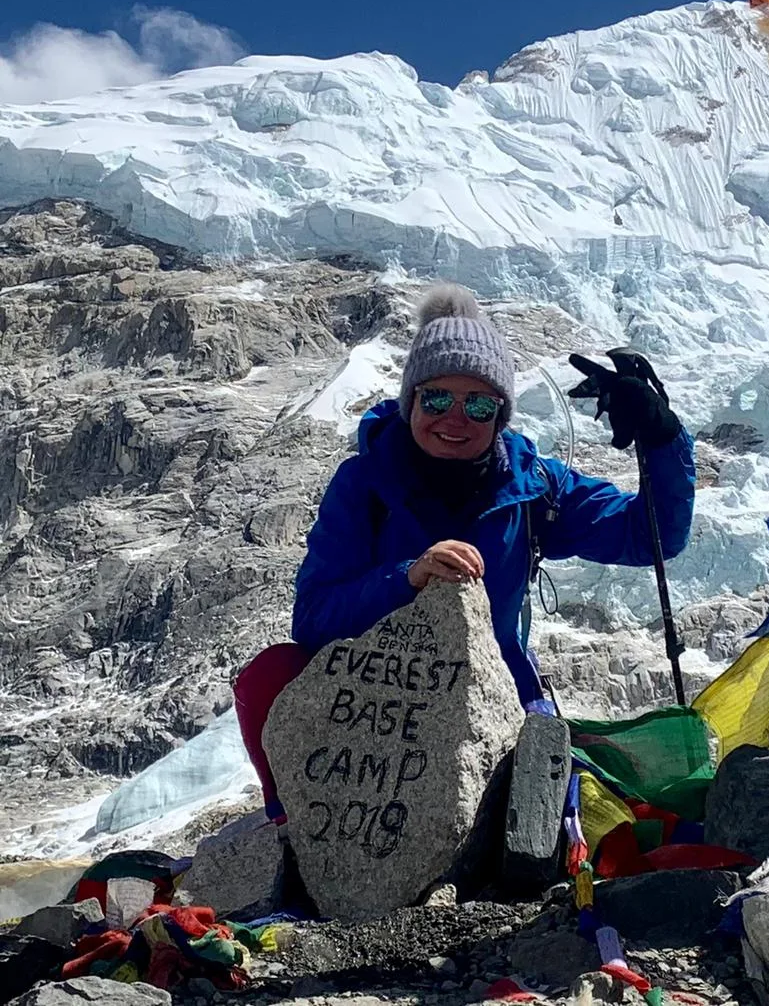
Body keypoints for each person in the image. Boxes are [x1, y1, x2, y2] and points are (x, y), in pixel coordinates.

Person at [232, 284, 695, 821]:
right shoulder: (364, 486)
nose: (455, 418)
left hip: (496, 703)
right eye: (436, 399)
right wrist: (407, 577)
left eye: (478, 404)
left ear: (500, 416)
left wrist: (662, 438)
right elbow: (313, 620)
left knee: (539, 811)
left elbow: (652, 535)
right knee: (270, 676)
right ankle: (295, 831)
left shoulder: (535, 487)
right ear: (410, 403)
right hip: (372, 705)